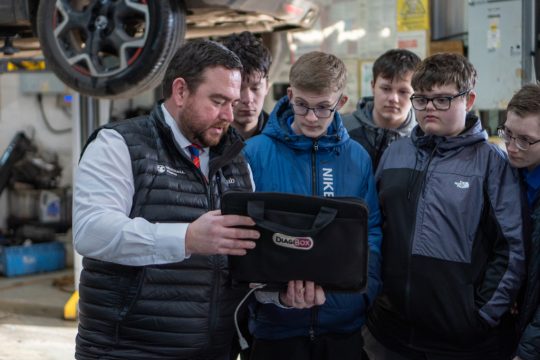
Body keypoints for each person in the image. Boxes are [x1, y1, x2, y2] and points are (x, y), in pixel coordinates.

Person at [73, 39, 261, 360]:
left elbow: (243, 257)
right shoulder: (118, 144)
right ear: (180, 91)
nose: (229, 115)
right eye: (217, 101)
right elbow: (92, 232)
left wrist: (280, 291)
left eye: (232, 102)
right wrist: (186, 238)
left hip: (215, 351)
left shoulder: (235, 160)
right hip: (128, 351)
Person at [366, 53, 526, 359]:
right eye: (422, 99)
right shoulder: (395, 154)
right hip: (390, 331)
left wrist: (481, 316)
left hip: (460, 341)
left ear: (469, 99)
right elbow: (375, 229)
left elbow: (511, 249)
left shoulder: (492, 163)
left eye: (442, 100)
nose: (429, 109)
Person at [243, 51, 382, 360]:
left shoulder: (356, 158)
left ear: (341, 102)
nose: (310, 117)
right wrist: (274, 295)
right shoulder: (254, 154)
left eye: (323, 108)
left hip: (343, 326)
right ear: (290, 94)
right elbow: (242, 239)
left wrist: (360, 294)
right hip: (275, 329)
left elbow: (370, 231)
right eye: (302, 105)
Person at [498, 83, 540, 360]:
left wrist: (527, 352)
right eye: (508, 134)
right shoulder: (507, 174)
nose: (512, 147)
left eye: (525, 140)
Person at [343, 49, 420, 169]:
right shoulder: (342, 130)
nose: (393, 98)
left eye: (403, 91)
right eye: (386, 88)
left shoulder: (423, 139)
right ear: (373, 86)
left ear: (416, 94)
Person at [222, 31, 272, 139]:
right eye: (238, 88)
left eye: (256, 88)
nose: (248, 99)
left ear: (267, 86)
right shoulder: (205, 141)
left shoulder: (284, 140)